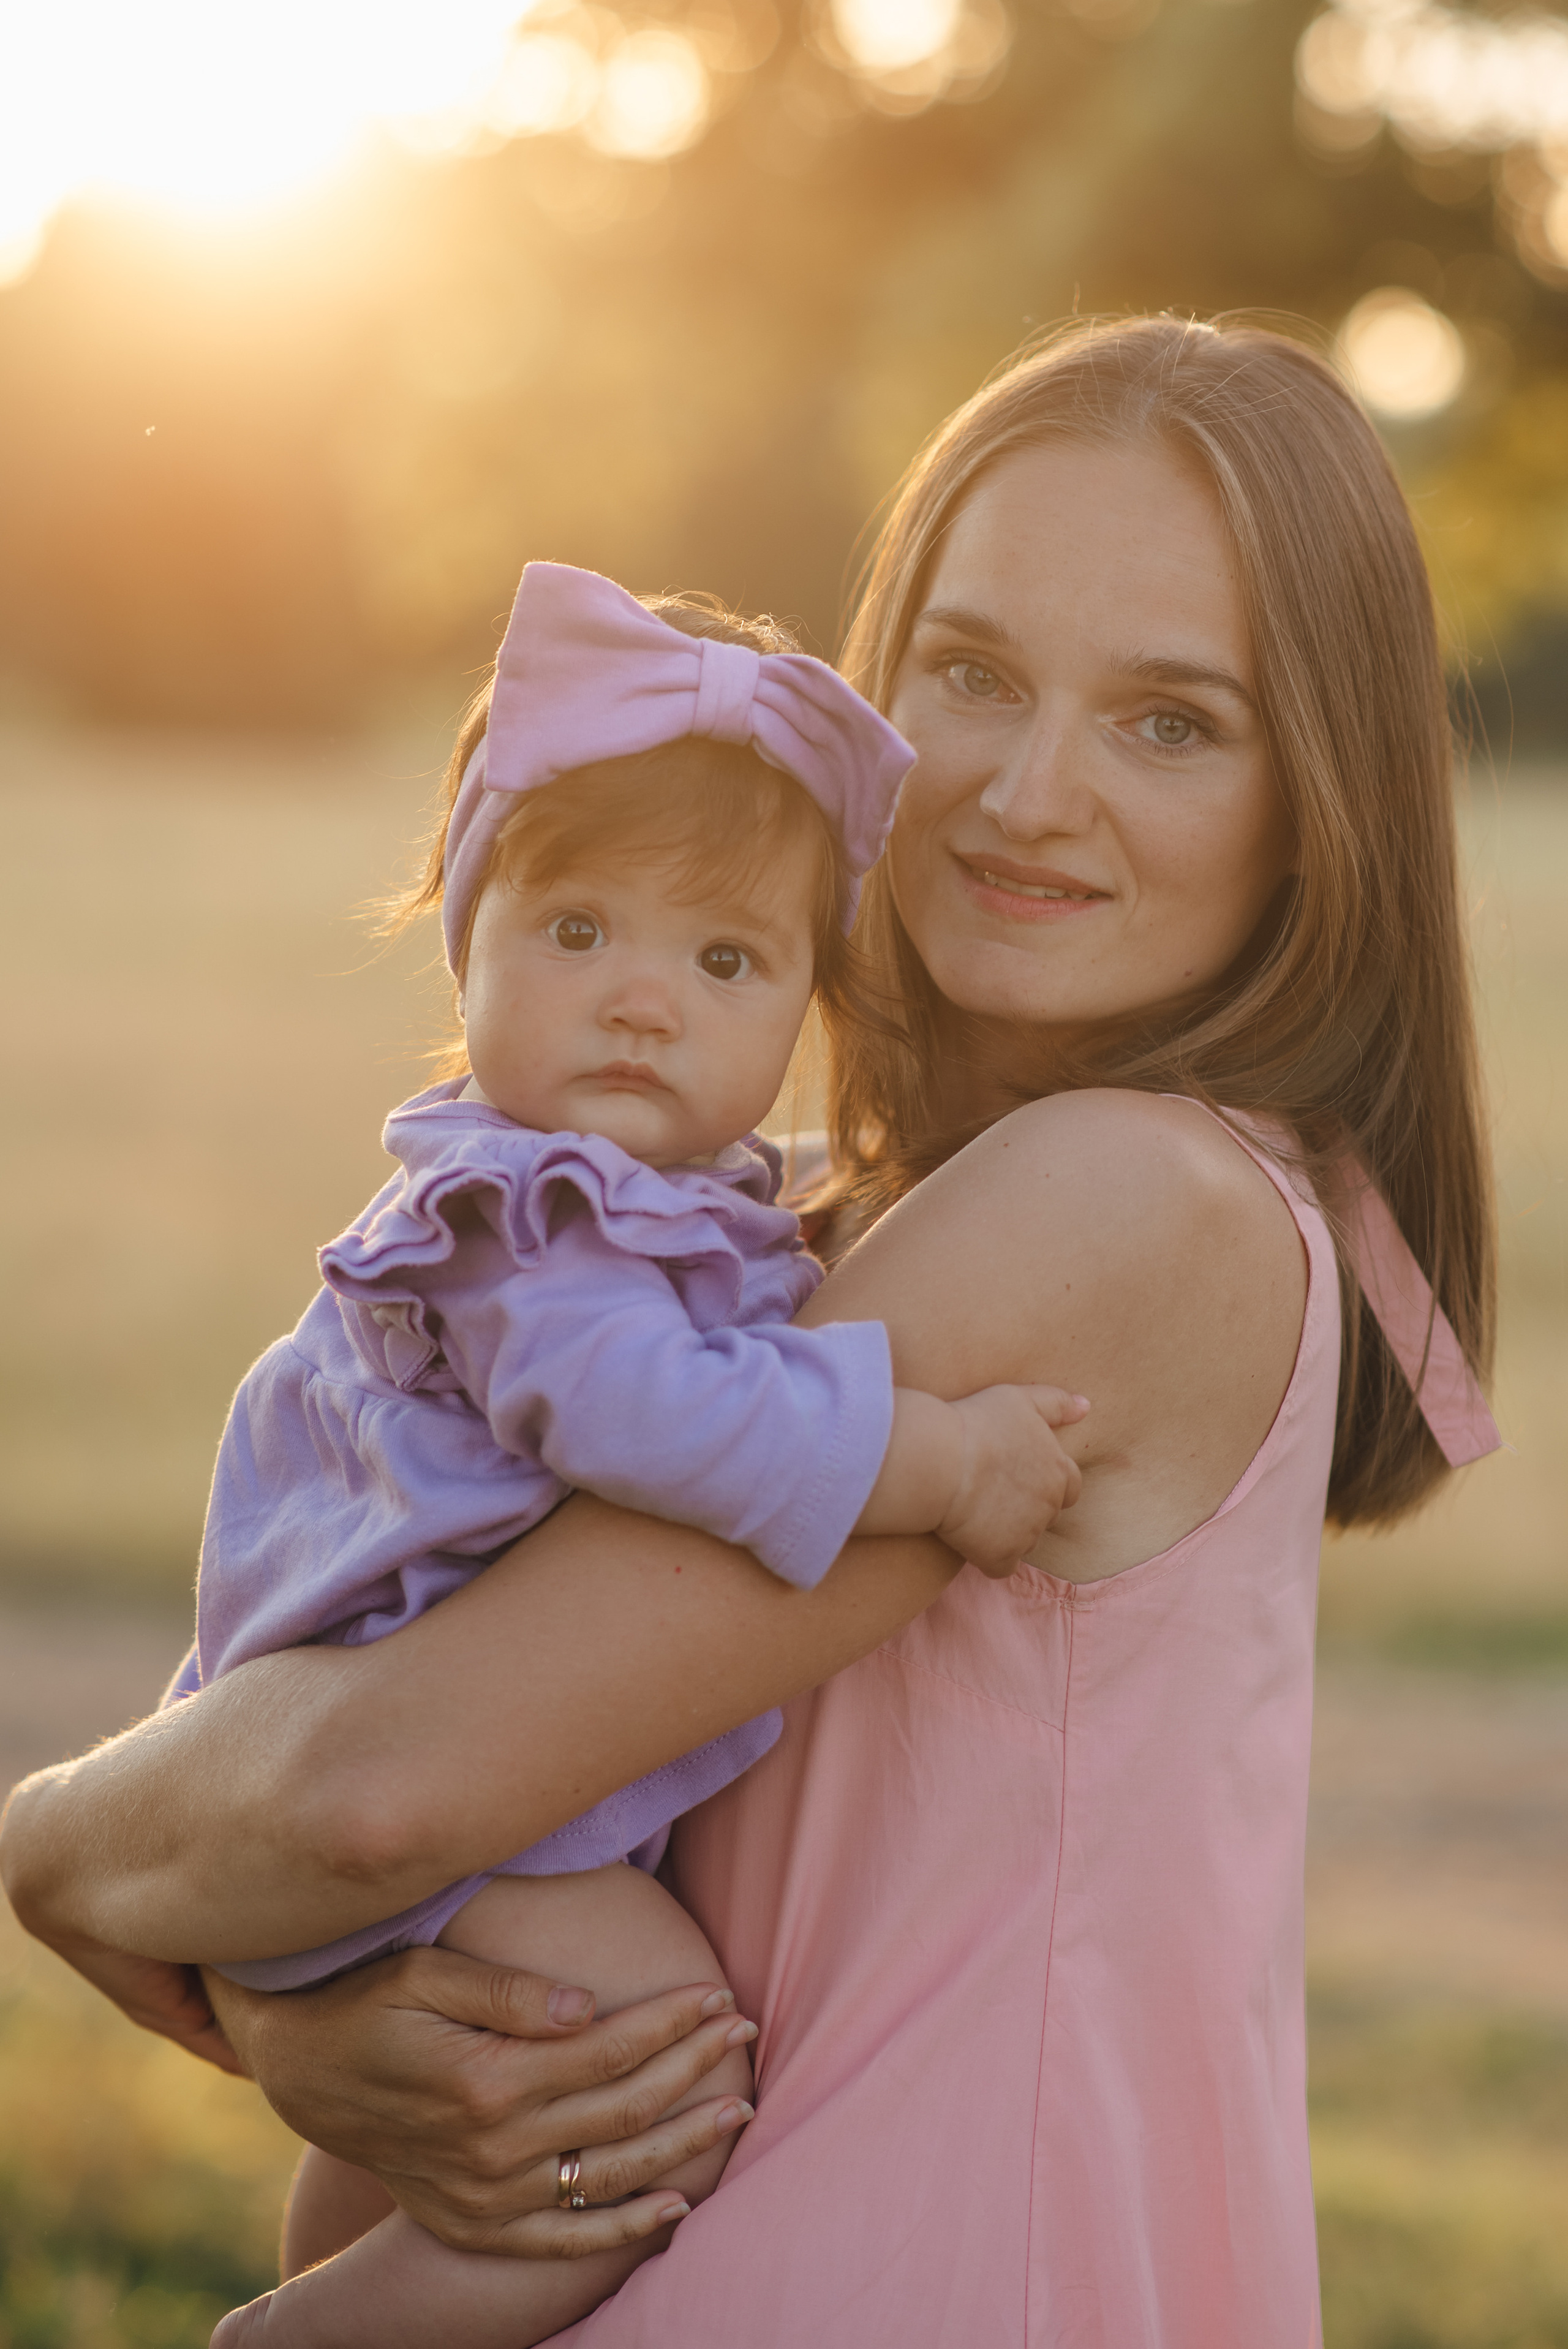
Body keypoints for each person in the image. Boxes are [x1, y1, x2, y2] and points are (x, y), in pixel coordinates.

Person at [1, 315, 1502, 2348]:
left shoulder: (1130, 1203)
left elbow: (373, 1792)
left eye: (1170, 721)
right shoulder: (783, 1222)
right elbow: (454, 1768)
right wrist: (301, 2002)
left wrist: (62, 1846)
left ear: (1313, 803)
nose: (1025, 792)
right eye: (969, 674)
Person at [180, 559, 1086, 2346]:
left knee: (451, 2145)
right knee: (663, 2098)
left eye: (726, 958)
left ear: (804, 999)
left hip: (442, 1787)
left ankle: (332, 2275)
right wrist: (938, 1458)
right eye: (577, 930)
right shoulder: (536, 1217)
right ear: (471, 934)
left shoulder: (643, 1198)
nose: (642, 1002)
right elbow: (649, 1417)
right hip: (432, 1788)